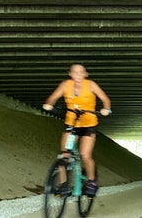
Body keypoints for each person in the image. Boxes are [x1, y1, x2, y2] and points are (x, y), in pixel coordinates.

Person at [42, 64, 111, 196]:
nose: (78, 75)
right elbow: (53, 97)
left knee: (85, 155)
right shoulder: (65, 85)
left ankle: (91, 182)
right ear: (70, 74)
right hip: (72, 124)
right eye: (75, 72)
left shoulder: (91, 85)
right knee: (64, 155)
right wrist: (49, 104)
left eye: (81, 72)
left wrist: (106, 109)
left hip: (88, 125)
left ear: (86, 74)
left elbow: (105, 99)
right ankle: (64, 185)